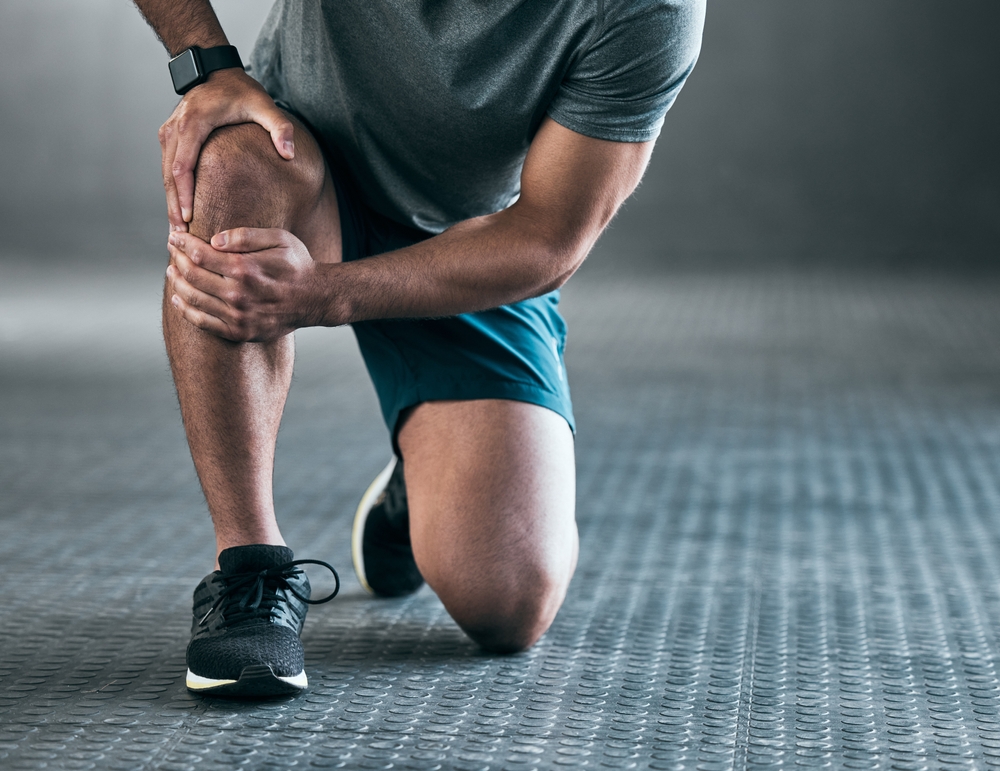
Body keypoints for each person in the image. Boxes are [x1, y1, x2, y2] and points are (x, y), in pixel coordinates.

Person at [132, 0, 705, 698]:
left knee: (510, 600)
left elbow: (550, 236)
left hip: (465, 244)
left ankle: (420, 483)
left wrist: (329, 292)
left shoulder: (651, 8)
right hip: (301, 162)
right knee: (226, 164)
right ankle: (249, 565)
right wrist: (205, 64)